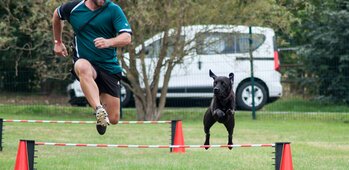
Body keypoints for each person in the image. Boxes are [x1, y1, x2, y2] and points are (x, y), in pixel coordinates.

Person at [52, 0, 132, 135]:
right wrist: (58, 42)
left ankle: (103, 114)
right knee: (81, 66)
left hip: (109, 68)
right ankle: (99, 109)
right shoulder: (73, 8)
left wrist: (109, 42)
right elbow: (56, 14)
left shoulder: (113, 10)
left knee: (113, 118)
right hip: (86, 63)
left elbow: (127, 37)